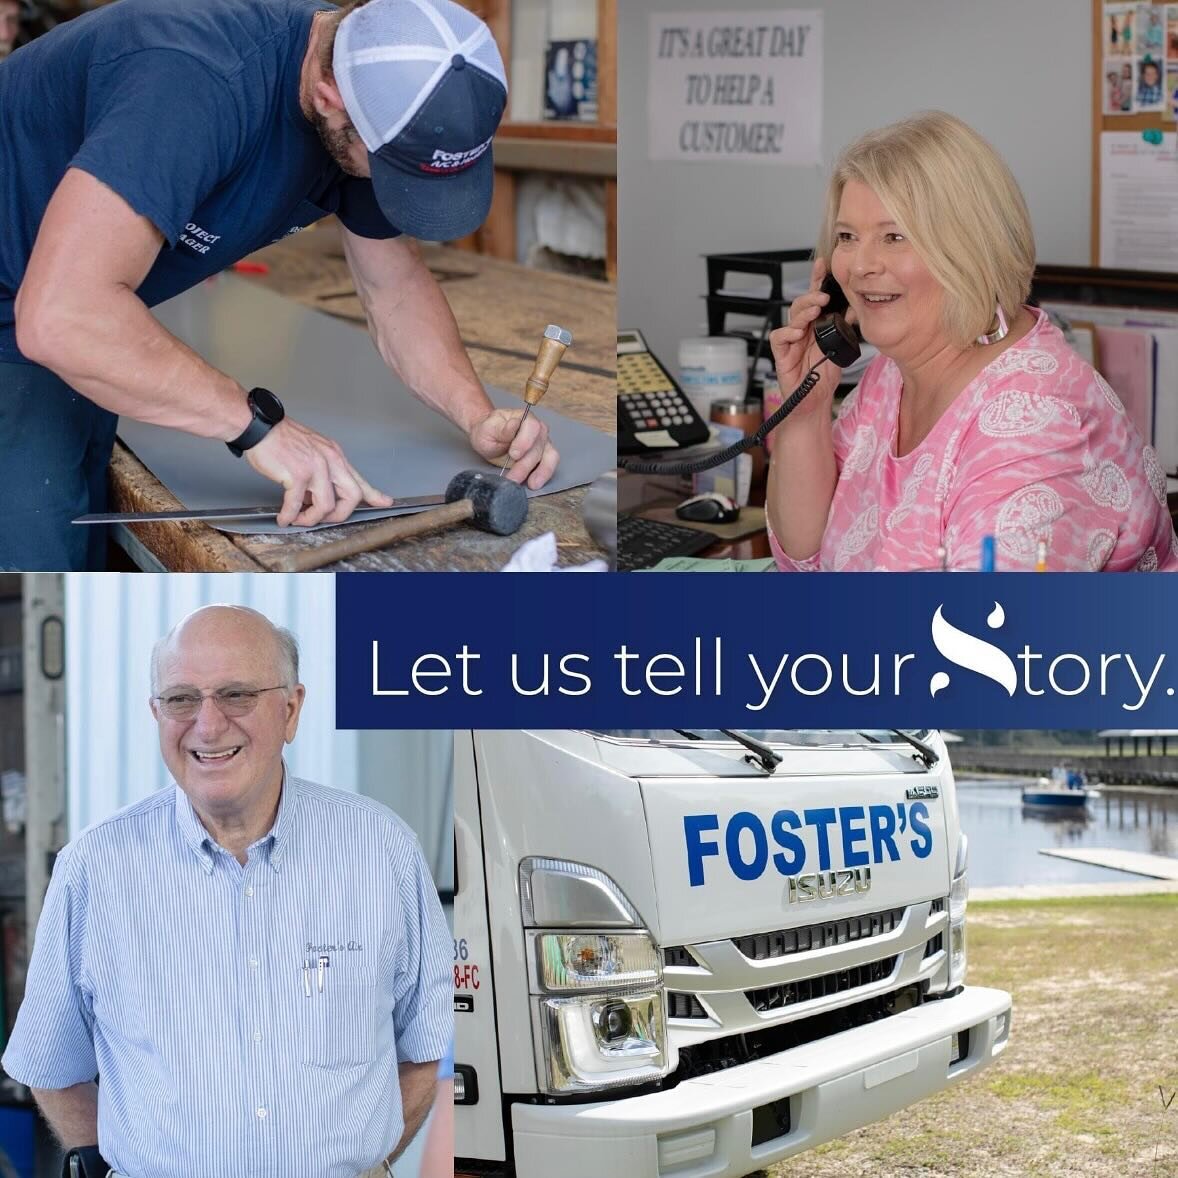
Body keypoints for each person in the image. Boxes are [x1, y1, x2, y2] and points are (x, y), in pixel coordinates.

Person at [0, 0, 559, 570]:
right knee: (39, 560)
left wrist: (476, 414)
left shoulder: (367, 97)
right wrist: (259, 427)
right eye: (393, 170)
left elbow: (395, 288)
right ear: (328, 97)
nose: (395, 187)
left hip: (68, 301)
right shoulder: (190, 81)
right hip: (27, 308)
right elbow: (62, 315)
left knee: (87, 529)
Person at [1, 605, 451, 1178]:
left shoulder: (382, 850)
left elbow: (425, 1050)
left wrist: (365, 1166)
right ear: (156, 713)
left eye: (236, 695)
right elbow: (51, 1063)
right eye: (182, 700)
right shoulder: (94, 869)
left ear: (291, 711)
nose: (208, 726)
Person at [766, 111, 1178, 572]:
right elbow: (805, 558)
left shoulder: (1034, 424)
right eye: (846, 236)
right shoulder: (895, 371)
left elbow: (987, 634)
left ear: (967, 248)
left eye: (894, 236)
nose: (860, 265)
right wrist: (804, 413)